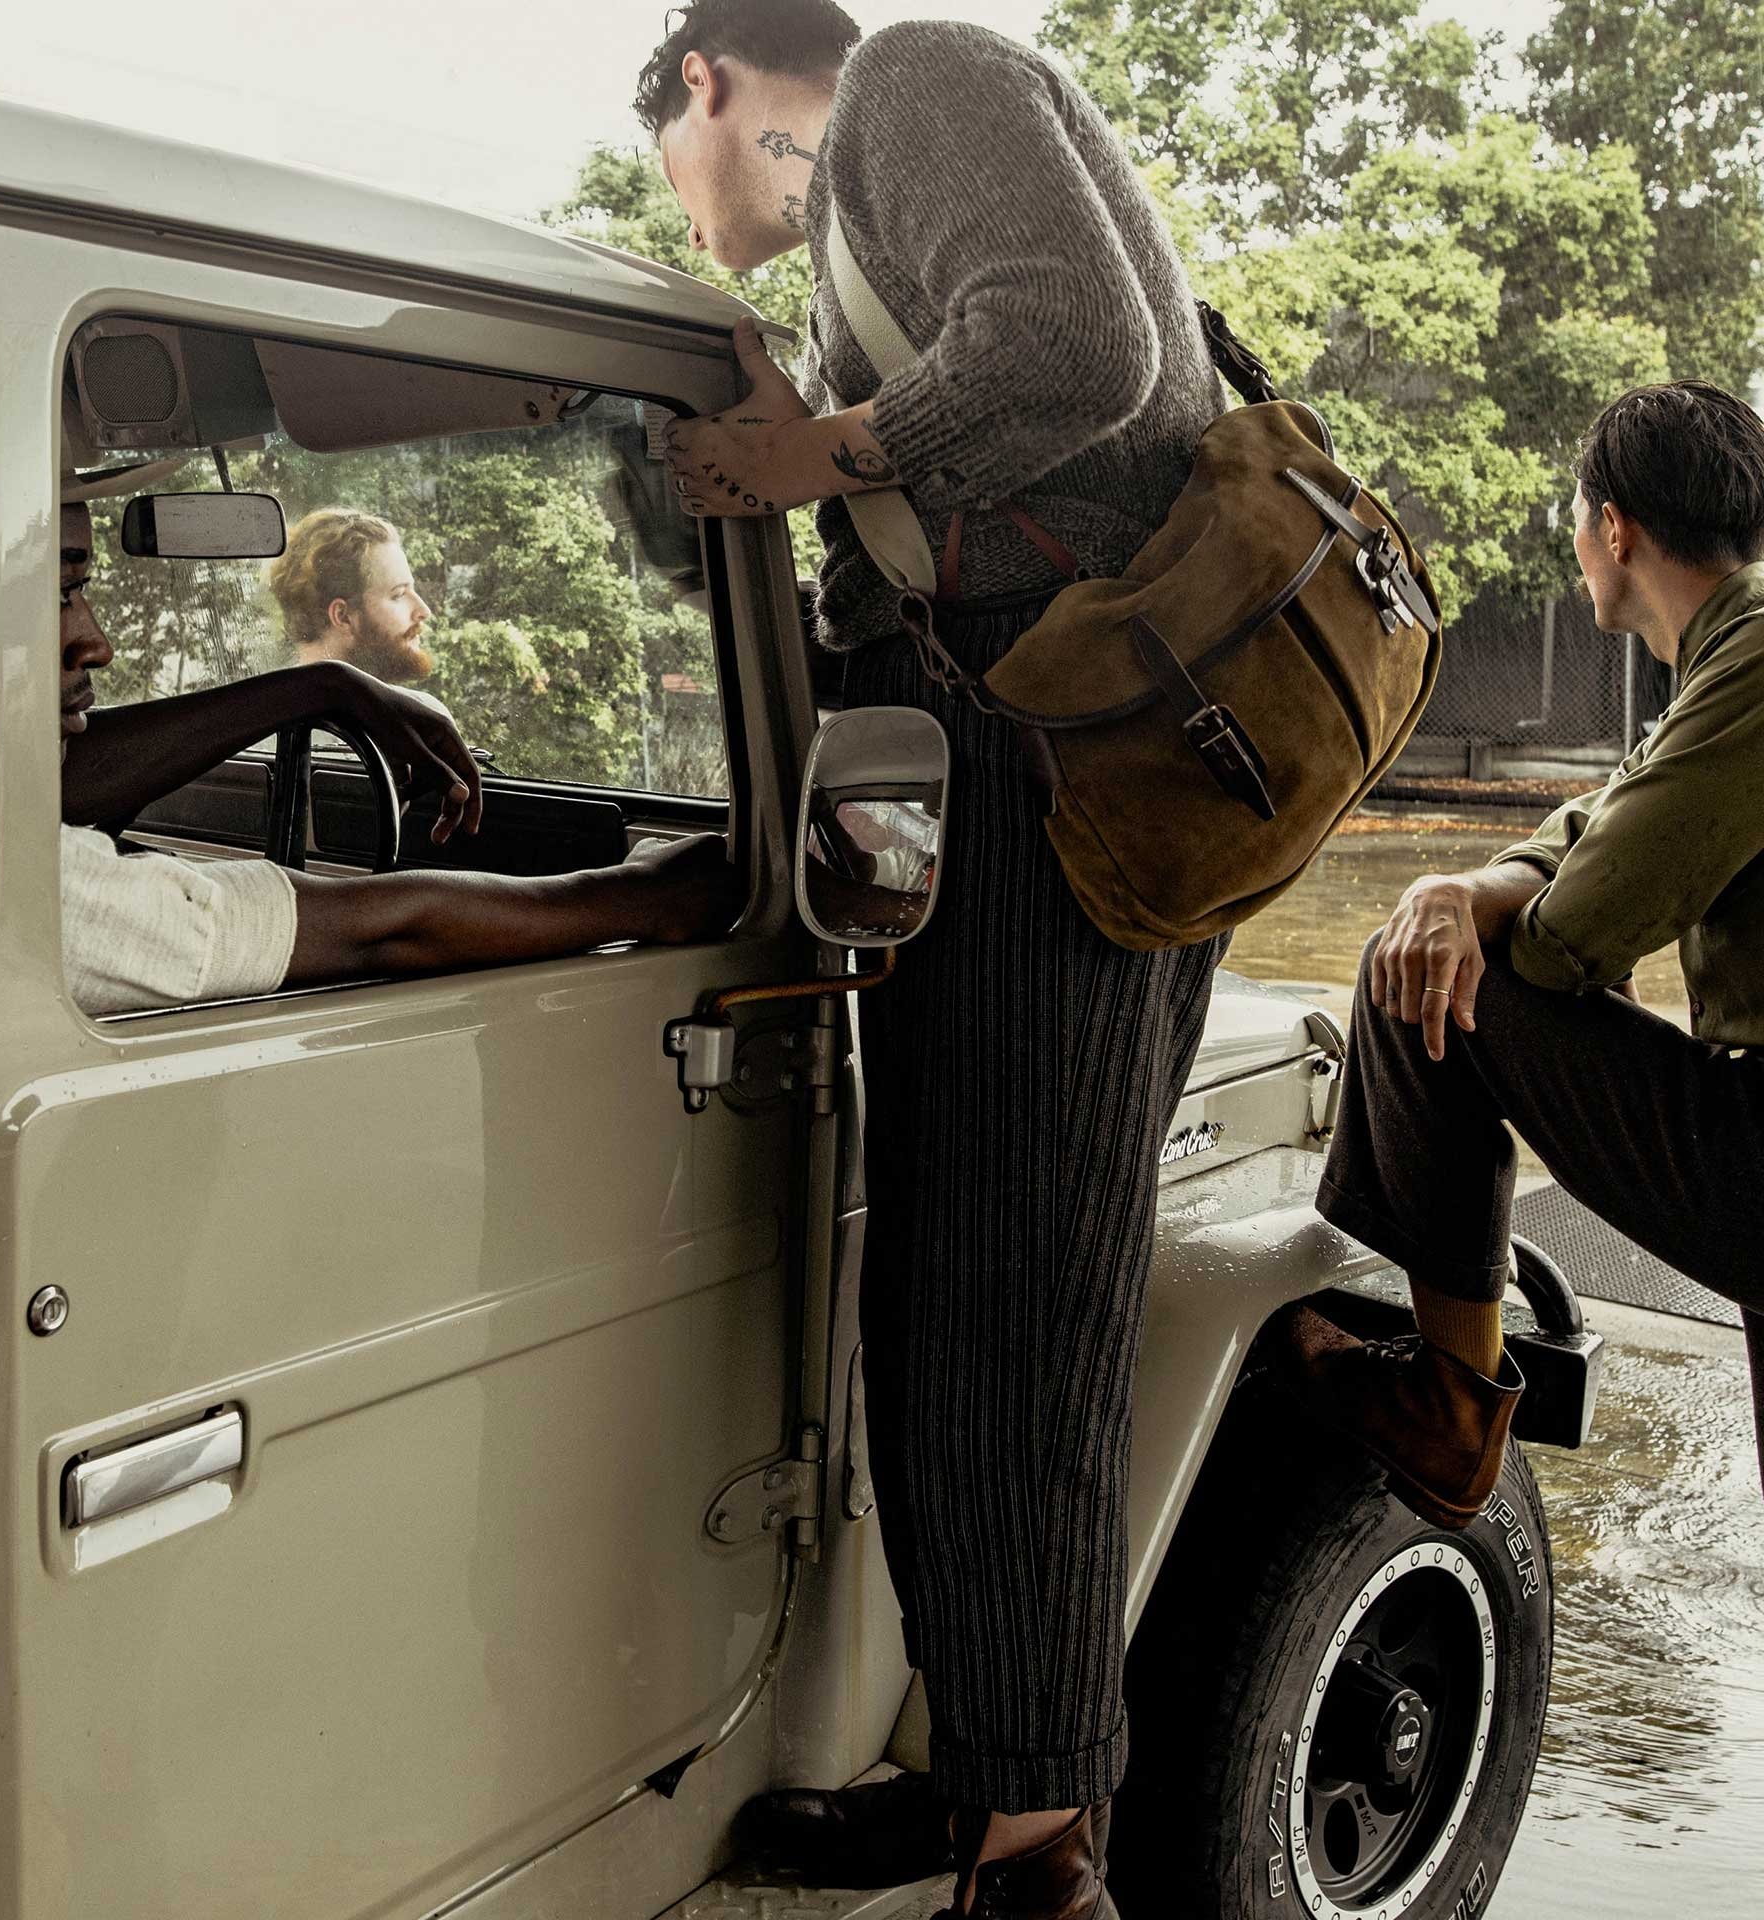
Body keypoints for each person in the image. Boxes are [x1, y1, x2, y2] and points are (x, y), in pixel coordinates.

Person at [638, 6, 1227, 1913]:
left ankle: (1045, 1858)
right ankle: (1000, 1783)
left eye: (663, 147)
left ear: (704, 85)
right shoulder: (853, 248)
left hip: (1059, 793)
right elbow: (917, 524)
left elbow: (1078, 345)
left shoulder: (917, 82)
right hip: (1008, 789)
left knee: (1018, 1313)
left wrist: (815, 447)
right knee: (956, 1313)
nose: (682, 192)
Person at [1271, 380, 1764, 1527]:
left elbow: (1569, 944)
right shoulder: (1730, 655)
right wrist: (1478, 880)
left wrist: (1464, 910)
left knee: (1419, 975)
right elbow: (1619, 811)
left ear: (1614, 529)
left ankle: (1448, 1402)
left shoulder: (1756, 661)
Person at [57, 500, 734, 1015]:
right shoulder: (50, 898)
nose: (96, 643)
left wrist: (326, 688)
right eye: (58, 592)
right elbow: (379, 934)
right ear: (342, 614)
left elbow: (57, 783)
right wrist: (641, 896)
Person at [266, 507, 435, 683]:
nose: (424, 610)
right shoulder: (405, 710)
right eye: (398, 595)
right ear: (343, 616)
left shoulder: (266, 703)